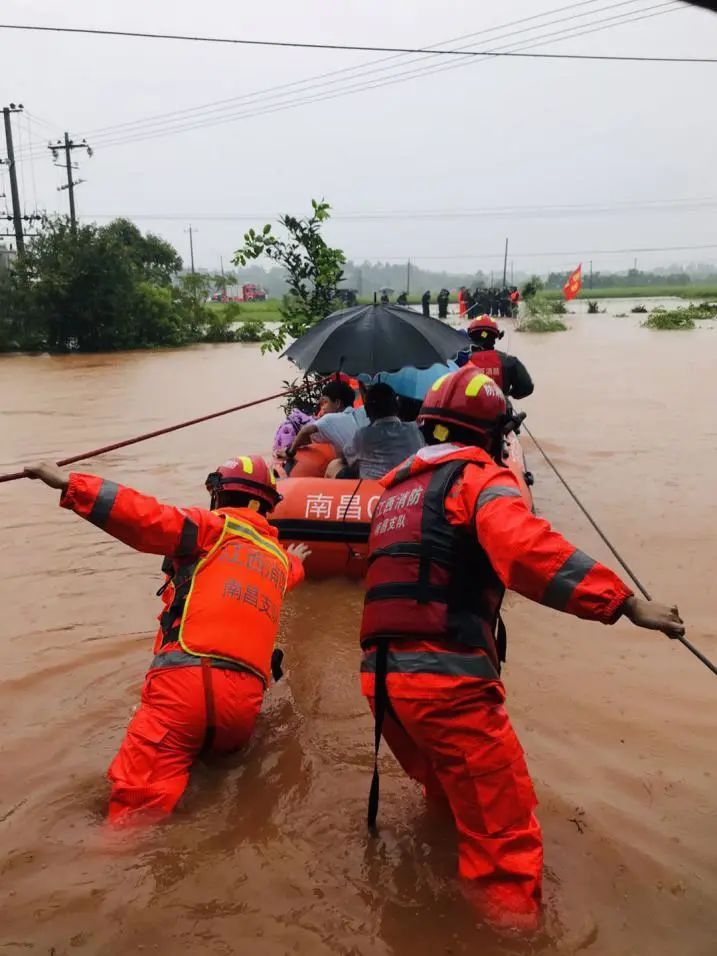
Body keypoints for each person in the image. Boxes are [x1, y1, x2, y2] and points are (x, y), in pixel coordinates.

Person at [358, 366, 684, 933]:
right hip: (446, 684)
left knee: (448, 795)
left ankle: (436, 901)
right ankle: (509, 936)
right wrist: (626, 603)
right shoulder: (481, 480)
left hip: (383, 684)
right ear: (494, 436)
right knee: (504, 842)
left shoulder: (394, 491)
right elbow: (528, 550)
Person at [24, 456, 311, 825]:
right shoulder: (278, 559)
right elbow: (290, 572)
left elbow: (142, 516)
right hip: (243, 707)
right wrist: (297, 560)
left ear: (221, 496)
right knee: (218, 785)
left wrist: (70, 484)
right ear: (265, 506)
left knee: (135, 812)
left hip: (184, 687)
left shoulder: (210, 529)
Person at [282, 379, 367, 475]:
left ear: (338, 403)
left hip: (358, 472)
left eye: (325, 403)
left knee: (334, 465)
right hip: (374, 466)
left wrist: (289, 452)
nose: (322, 408)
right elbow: (310, 438)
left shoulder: (329, 419)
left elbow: (305, 431)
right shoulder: (363, 411)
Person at [341, 383, 425, 479]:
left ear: (367, 411)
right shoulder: (414, 430)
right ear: (397, 406)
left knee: (336, 465)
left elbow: (346, 458)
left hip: (372, 490)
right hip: (407, 489)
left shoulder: (362, 435)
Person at [467, 315, 534, 399]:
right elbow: (526, 387)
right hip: (500, 409)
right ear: (496, 337)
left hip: (467, 409)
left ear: (470, 336)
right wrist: (509, 394)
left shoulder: (461, 360)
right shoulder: (509, 361)